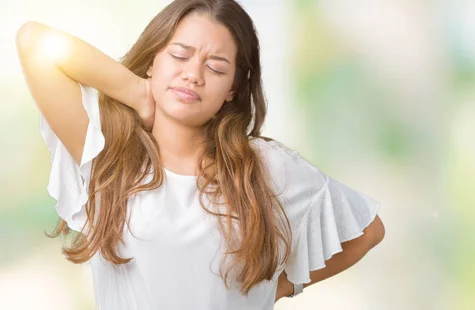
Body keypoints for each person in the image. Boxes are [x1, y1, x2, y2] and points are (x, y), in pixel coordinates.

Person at [16, 0, 385, 309]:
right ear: (152, 60)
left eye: (215, 67)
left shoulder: (266, 168)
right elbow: (34, 41)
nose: (193, 74)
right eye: (179, 55)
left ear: (232, 89)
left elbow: (367, 231)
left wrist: (281, 286)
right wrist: (136, 92)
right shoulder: (107, 154)